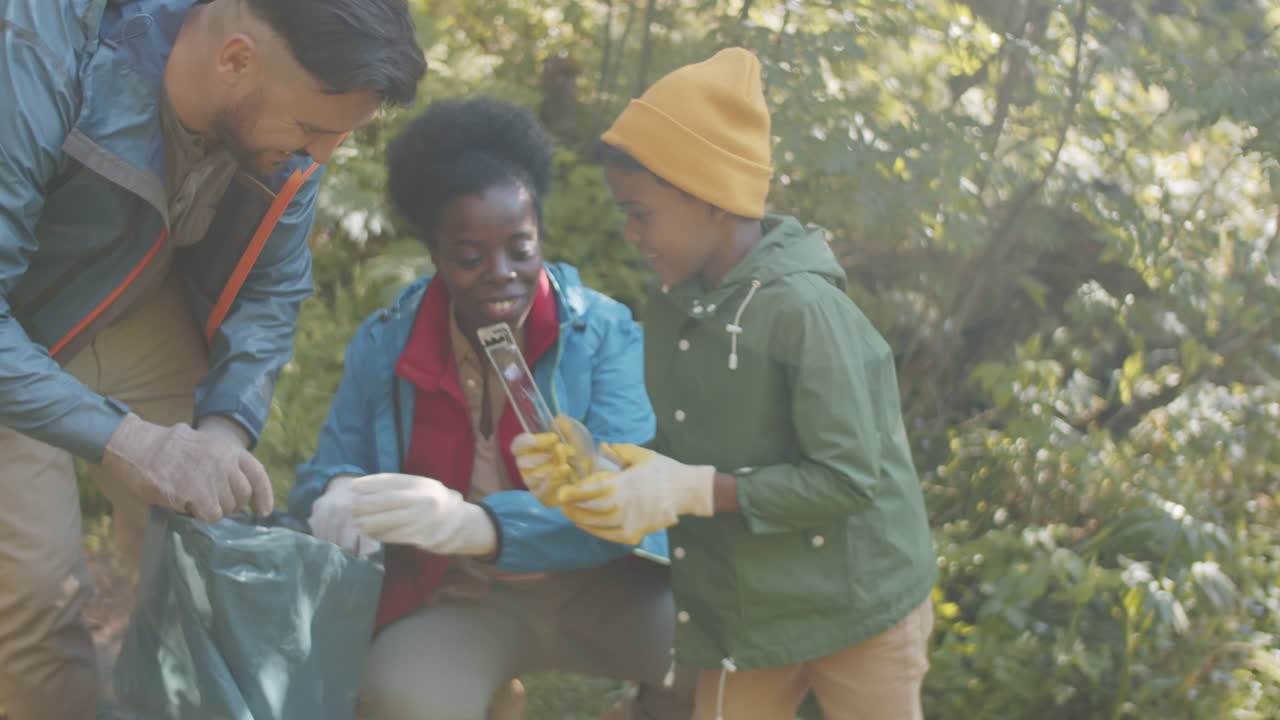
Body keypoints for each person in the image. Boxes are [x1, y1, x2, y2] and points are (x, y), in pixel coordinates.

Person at [0, 0, 424, 717]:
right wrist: (127, 440)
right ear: (234, 59)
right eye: (317, 130)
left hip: (137, 303)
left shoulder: (293, 116)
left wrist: (223, 430)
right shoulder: (34, 58)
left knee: (212, 535)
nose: (320, 158)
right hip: (14, 326)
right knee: (37, 597)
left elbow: (272, 288)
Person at [515, 48, 938, 720]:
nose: (629, 233)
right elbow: (693, 445)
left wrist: (687, 489)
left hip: (861, 605)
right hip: (746, 610)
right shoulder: (678, 303)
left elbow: (849, 480)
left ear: (709, 198)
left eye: (640, 212)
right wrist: (603, 470)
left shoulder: (805, 311)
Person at [290, 96, 692, 720]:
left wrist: (482, 527)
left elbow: (626, 499)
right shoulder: (386, 342)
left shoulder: (605, 335)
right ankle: (495, 696)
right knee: (400, 699)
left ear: (541, 238)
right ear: (436, 256)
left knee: (727, 652)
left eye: (520, 248)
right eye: (470, 257)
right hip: (460, 595)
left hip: (605, 586)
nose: (500, 274)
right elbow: (323, 474)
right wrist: (338, 495)